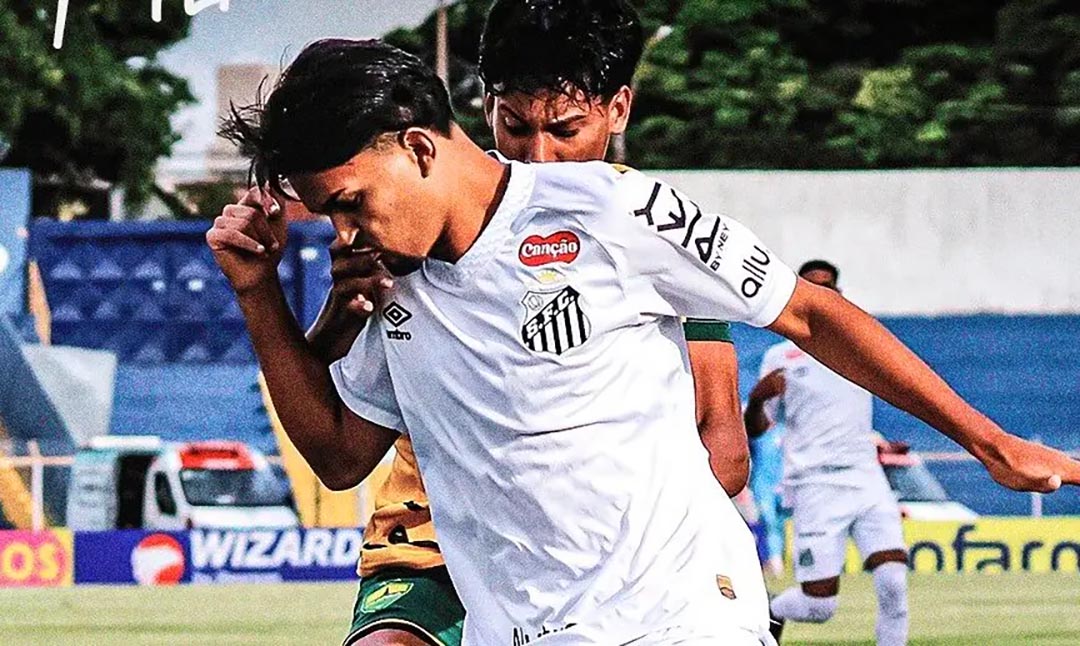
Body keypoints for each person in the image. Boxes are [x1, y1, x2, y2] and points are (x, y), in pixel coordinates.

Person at [208, 38, 1079, 645]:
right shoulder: (397, 285)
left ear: (417, 148)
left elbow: (809, 313)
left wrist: (989, 441)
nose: (345, 233)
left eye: (351, 202)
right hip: (517, 629)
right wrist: (257, 293)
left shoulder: (611, 209)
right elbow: (339, 456)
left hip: (678, 618)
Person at [302, 2, 750, 644]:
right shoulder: (417, 215)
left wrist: (636, 554)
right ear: (487, 106)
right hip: (429, 539)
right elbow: (339, 438)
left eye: (566, 130)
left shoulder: (649, 227)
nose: (539, 156)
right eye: (514, 125)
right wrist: (330, 314)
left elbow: (723, 443)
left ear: (617, 111)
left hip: (599, 565)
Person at [744, 260, 906, 644]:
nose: (821, 293)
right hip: (815, 484)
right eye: (811, 286)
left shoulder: (860, 344)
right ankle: (769, 612)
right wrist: (758, 399)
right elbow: (756, 428)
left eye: (827, 286)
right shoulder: (781, 358)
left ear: (839, 293)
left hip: (866, 477)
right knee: (819, 606)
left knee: (894, 584)